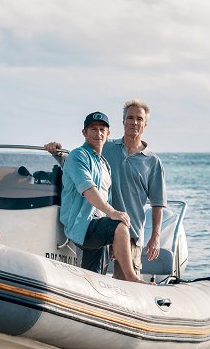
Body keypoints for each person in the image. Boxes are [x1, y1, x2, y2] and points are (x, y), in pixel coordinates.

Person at [46, 99, 166, 280]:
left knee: (124, 284)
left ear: (145, 124)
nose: (134, 122)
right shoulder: (105, 147)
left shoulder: (152, 161)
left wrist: (155, 236)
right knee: (96, 278)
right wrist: (56, 152)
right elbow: (79, 163)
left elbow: (157, 203)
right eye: (130, 118)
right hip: (100, 223)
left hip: (129, 231)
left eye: (139, 119)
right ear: (123, 122)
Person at [59, 111, 146, 283]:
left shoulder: (104, 164)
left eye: (102, 129)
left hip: (97, 226)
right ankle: (132, 278)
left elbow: (106, 198)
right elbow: (88, 189)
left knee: (93, 279)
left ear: (108, 134)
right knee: (120, 225)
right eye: (93, 129)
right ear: (84, 133)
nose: (98, 133)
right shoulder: (78, 156)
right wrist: (113, 213)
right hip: (83, 225)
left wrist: (114, 241)